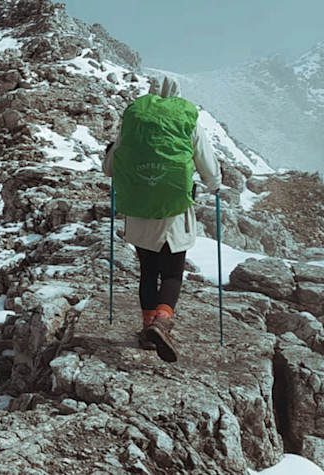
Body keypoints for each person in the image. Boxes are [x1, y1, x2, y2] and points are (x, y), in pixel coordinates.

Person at [102, 76, 221, 363]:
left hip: (140, 209)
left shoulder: (135, 120)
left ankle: (147, 329)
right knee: (172, 272)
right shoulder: (185, 118)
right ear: (177, 94)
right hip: (174, 209)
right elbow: (205, 159)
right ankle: (162, 322)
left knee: (148, 271)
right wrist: (215, 183)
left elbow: (110, 167)